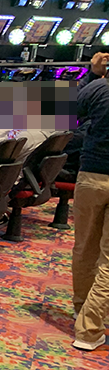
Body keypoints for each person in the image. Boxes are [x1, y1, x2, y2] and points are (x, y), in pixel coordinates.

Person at [71, 51, 109, 350]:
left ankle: (81, 308)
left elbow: (69, 113)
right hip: (94, 173)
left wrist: (93, 74)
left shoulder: (99, 88)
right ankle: (89, 328)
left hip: (92, 175)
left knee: (84, 248)